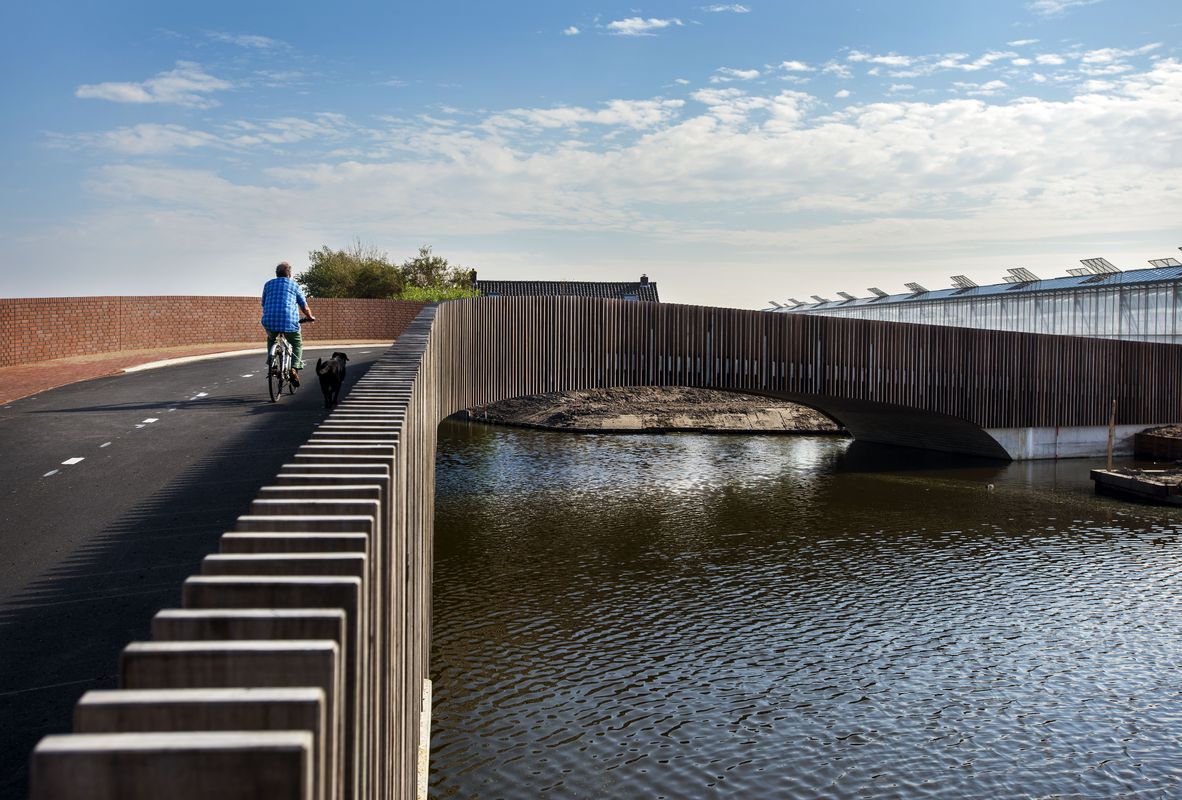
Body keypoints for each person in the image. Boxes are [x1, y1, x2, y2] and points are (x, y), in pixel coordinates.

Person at [261, 262, 314, 385]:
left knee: (271, 339)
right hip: (289, 321)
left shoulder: (268, 284)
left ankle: (272, 365)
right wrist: (310, 316)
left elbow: (263, 303)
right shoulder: (294, 285)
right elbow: (304, 306)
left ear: (276, 274)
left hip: (269, 320)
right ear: (289, 274)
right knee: (296, 343)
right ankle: (294, 368)